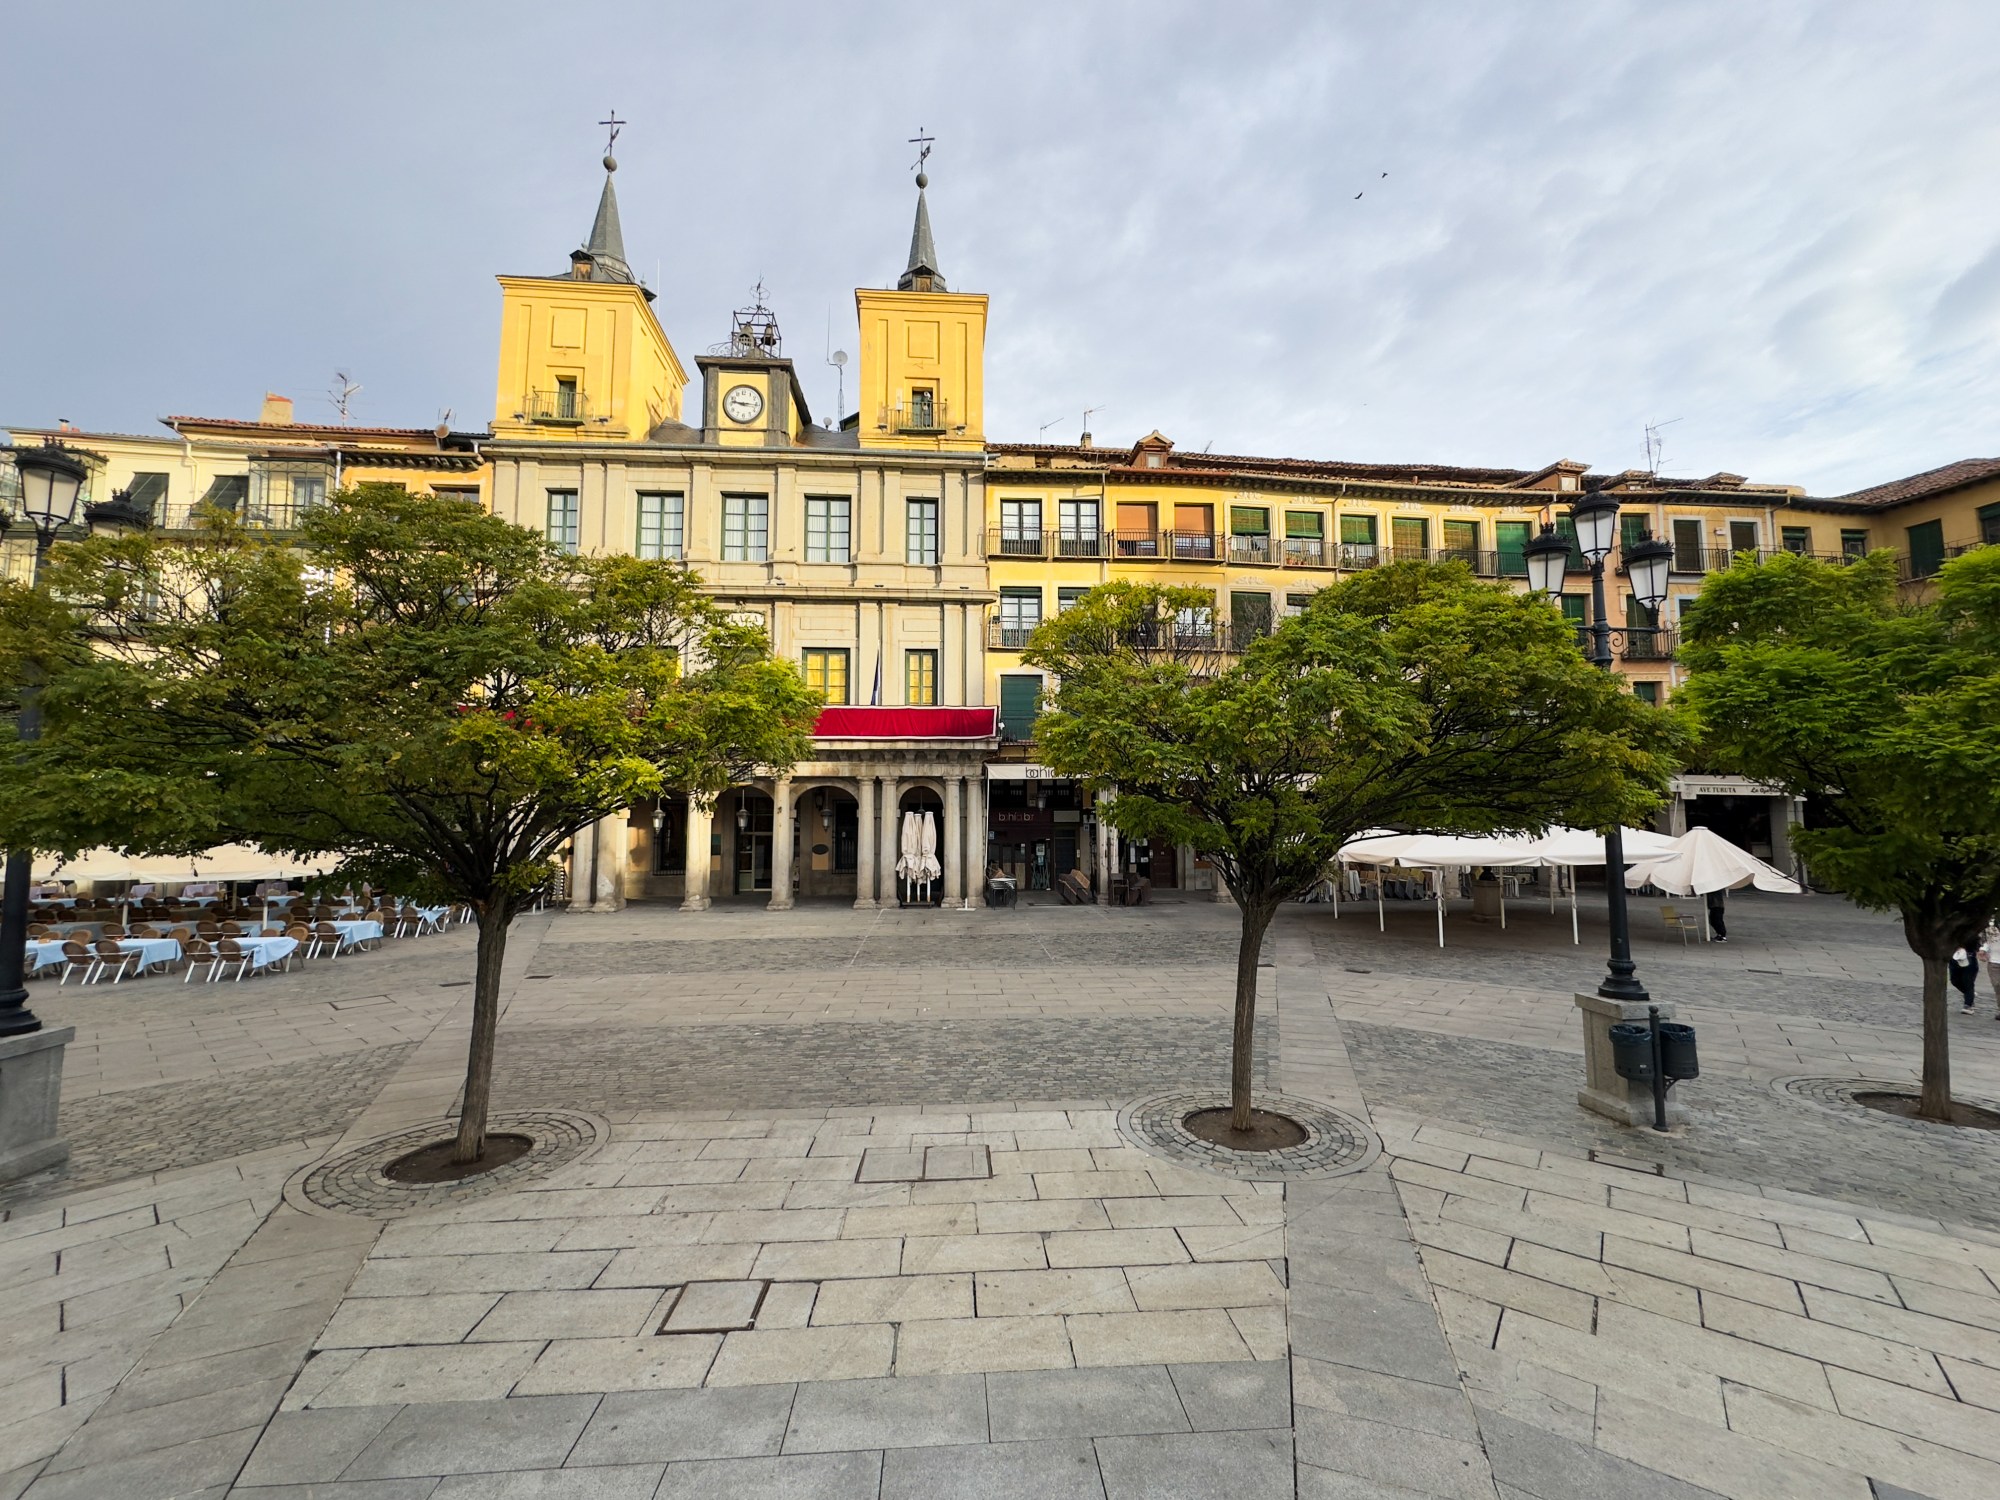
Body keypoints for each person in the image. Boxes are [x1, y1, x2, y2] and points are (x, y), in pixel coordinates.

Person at [1950, 945, 1980, 1012]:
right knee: (1954, 981)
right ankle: (1970, 995)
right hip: (1954, 957)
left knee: (1968, 982)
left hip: (1969, 957)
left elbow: (1977, 943)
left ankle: (1968, 1005)